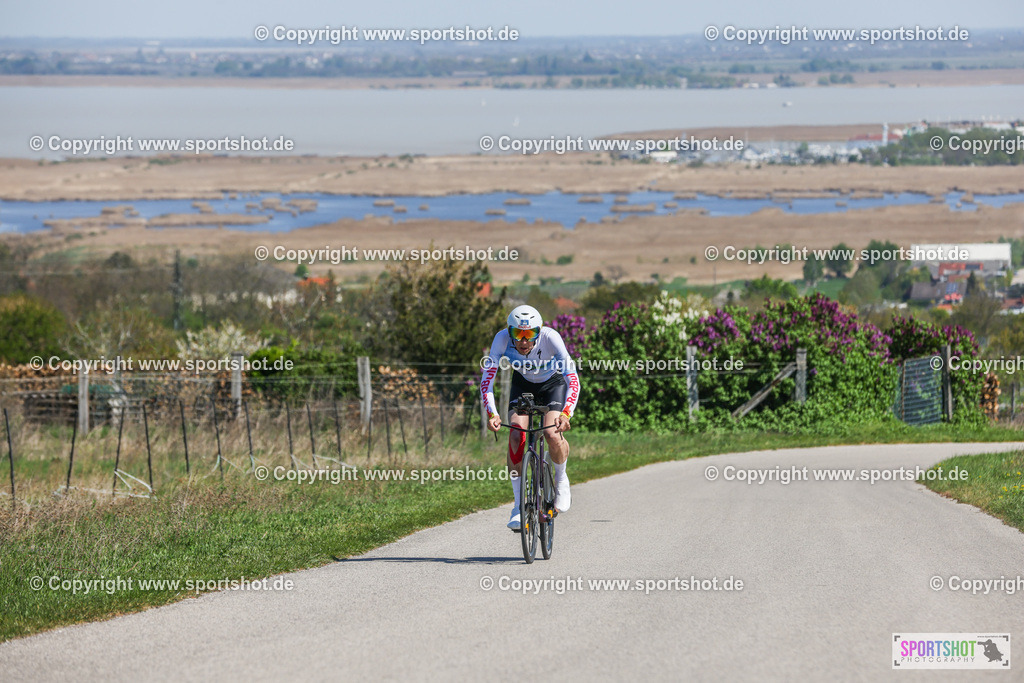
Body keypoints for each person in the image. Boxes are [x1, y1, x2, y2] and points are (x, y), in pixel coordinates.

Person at [480, 305, 580, 530]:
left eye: (529, 334)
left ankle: (561, 480)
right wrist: (493, 413)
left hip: (552, 384)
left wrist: (566, 412)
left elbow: (572, 377)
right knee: (516, 434)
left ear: (539, 331)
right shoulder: (501, 339)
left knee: (551, 433)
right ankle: (518, 506)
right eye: (518, 334)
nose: (523, 341)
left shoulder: (551, 338)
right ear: (510, 332)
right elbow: (487, 381)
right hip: (523, 384)